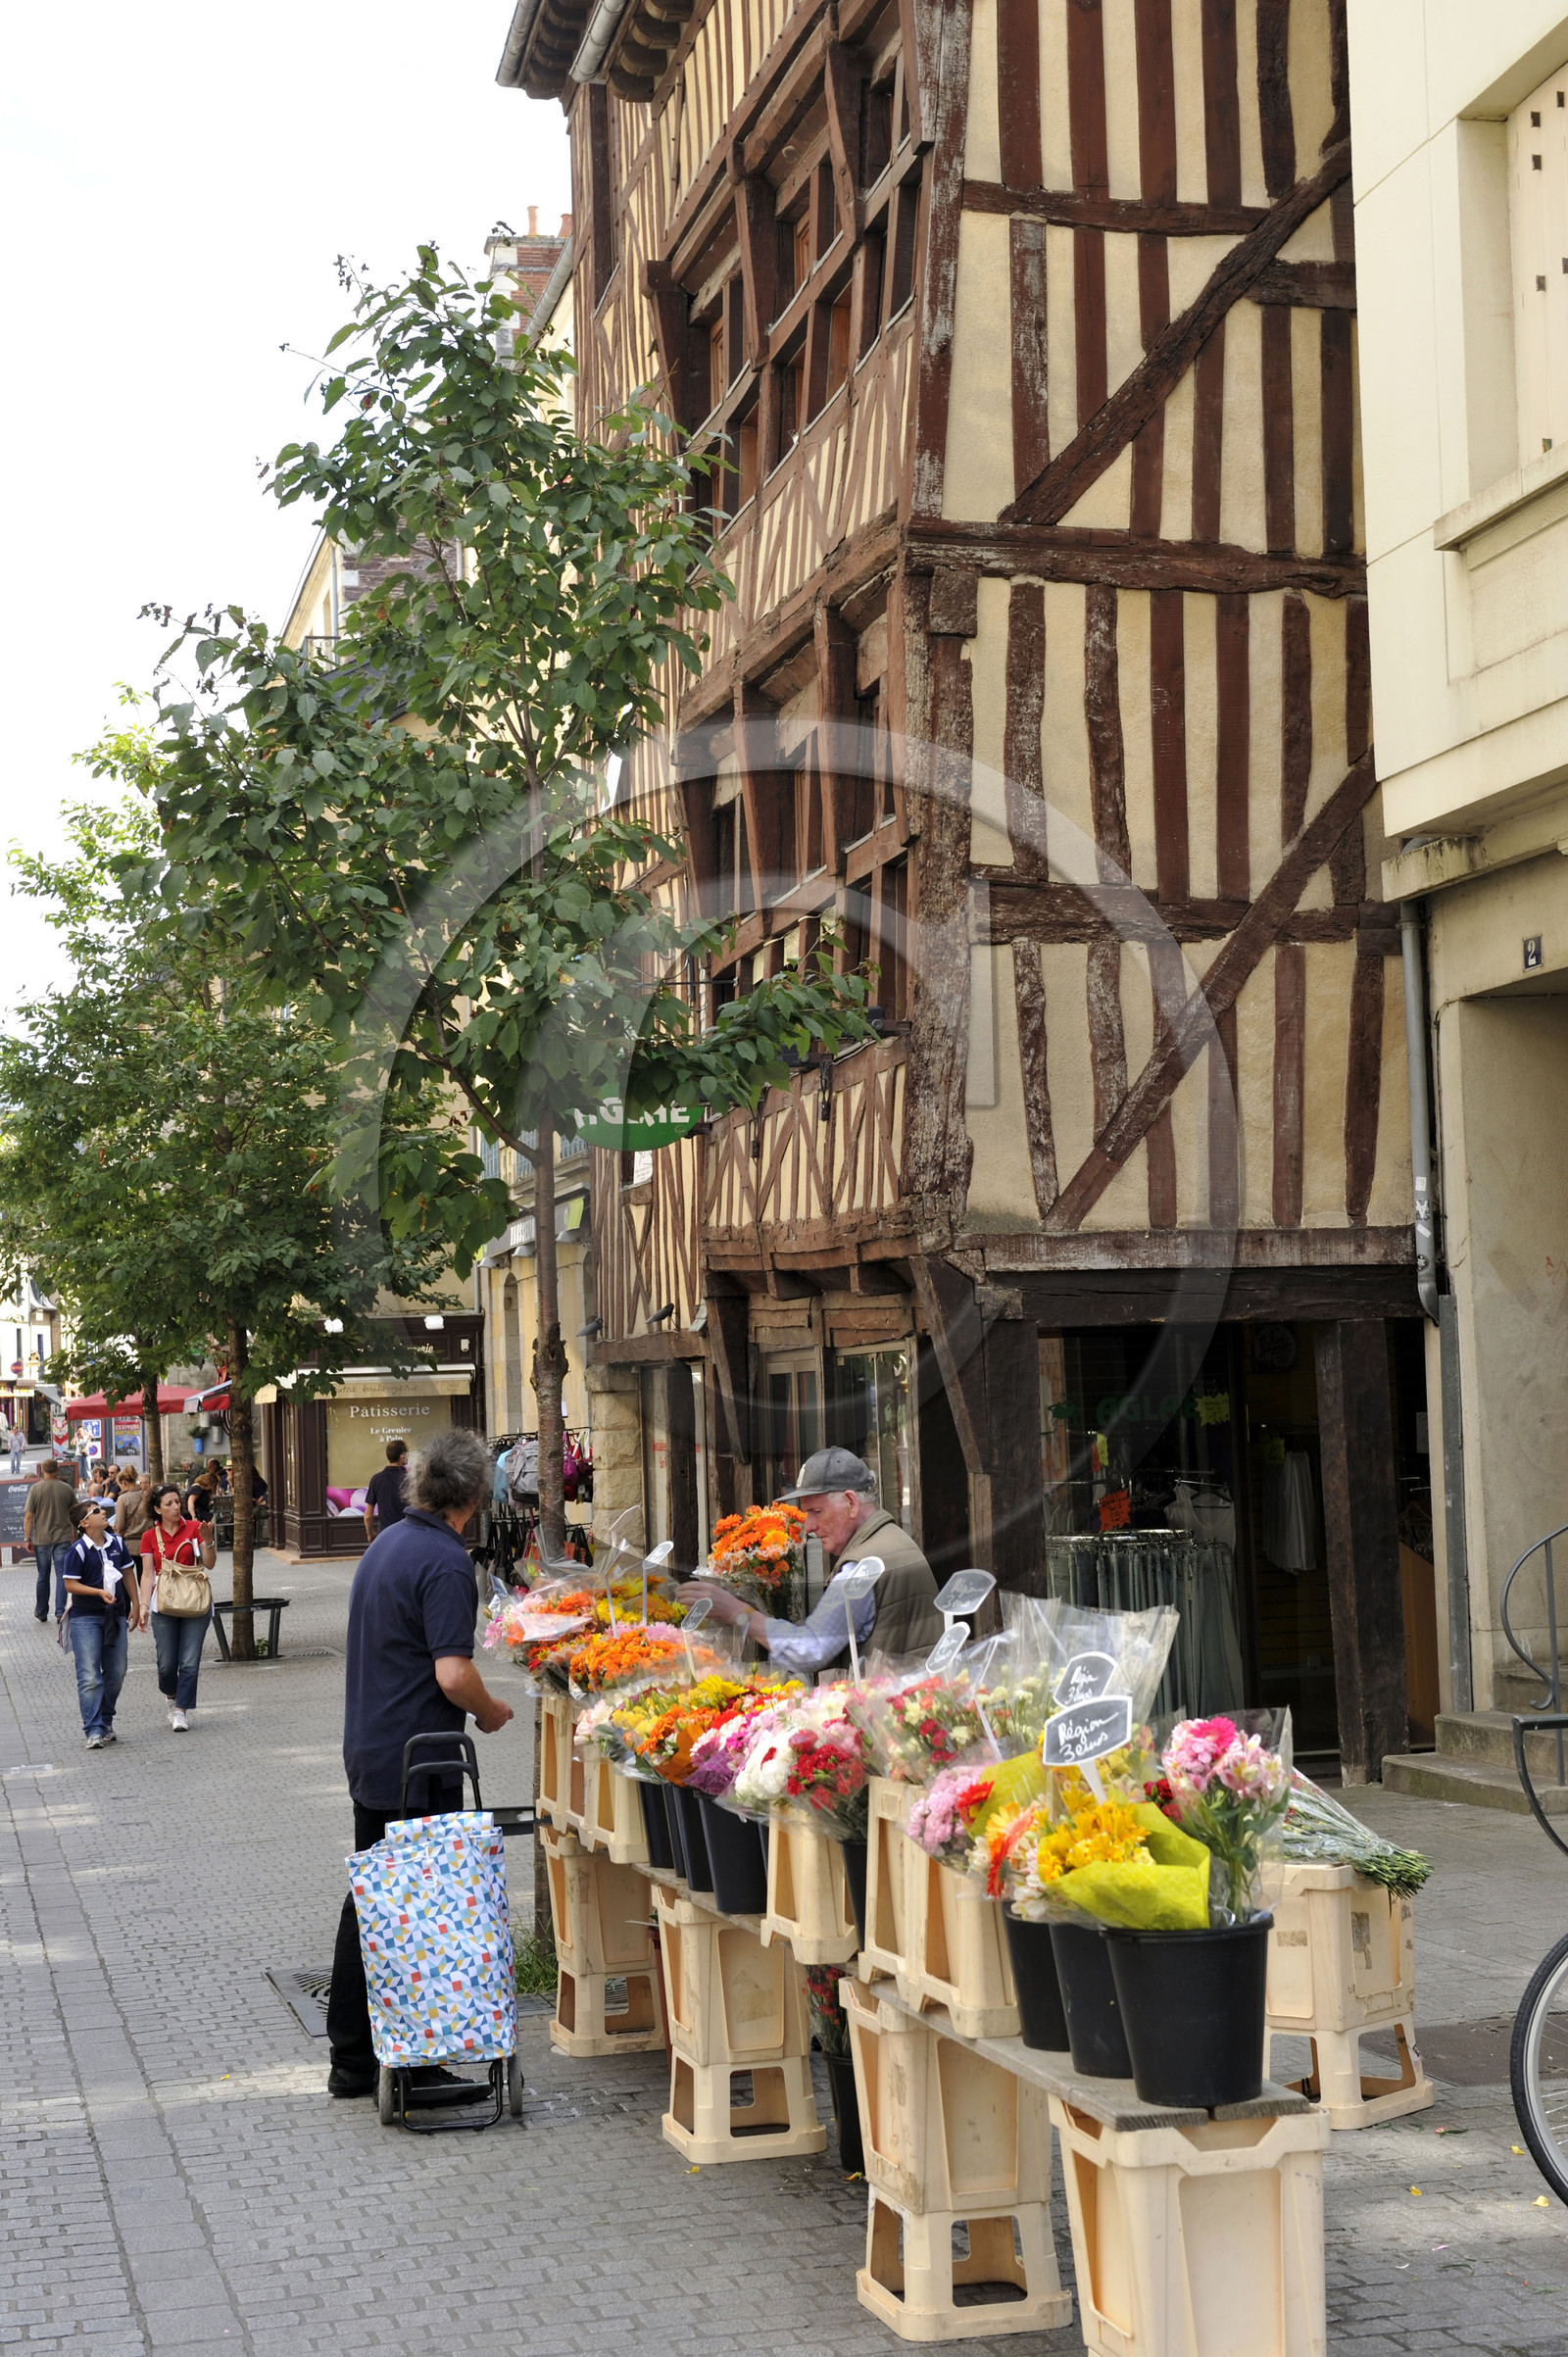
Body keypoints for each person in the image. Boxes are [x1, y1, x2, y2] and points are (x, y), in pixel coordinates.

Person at [325, 1426, 514, 2098]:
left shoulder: (388, 1544)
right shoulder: (444, 1560)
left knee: (372, 1898)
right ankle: (411, 2062)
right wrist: (490, 1711)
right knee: (414, 1906)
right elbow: (453, 1672)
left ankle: (352, 2058)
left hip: (376, 1749)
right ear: (471, 1496)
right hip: (417, 1758)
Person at [680, 1447, 944, 1676]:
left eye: (816, 1512)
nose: (808, 1526)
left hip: (890, 1716)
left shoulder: (862, 1567)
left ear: (851, 1502)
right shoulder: (893, 1539)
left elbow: (809, 1649)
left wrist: (736, 1611)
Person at [62, 1498, 141, 1750]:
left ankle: (106, 1718)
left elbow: (128, 1571)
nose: (104, 1512)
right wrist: (97, 1593)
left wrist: (136, 1604)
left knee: (116, 1671)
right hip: (85, 1617)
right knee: (90, 1675)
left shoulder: (116, 1542)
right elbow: (69, 1584)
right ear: (84, 1523)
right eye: (96, 1511)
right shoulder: (78, 1550)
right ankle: (94, 1728)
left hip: (115, 1614)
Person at [138, 1482, 217, 1732]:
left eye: (177, 1502)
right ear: (157, 1509)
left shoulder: (194, 1528)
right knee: (166, 1663)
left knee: (190, 1661)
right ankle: (170, 1695)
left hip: (195, 1601)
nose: (175, 1506)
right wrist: (142, 1605)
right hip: (164, 1602)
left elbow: (210, 1563)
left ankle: (181, 1710)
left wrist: (209, 1541)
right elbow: (148, 1574)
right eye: (169, 1503)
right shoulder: (150, 1536)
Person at [24, 1459, 77, 1625]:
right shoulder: (66, 1489)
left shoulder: (36, 1489)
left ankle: (41, 1611)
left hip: (42, 1538)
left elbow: (29, 1516)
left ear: (42, 1471)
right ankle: (60, 1611)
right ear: (57, 1470)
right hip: (62, 1538)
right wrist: (74, 1534)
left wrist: (27, 1538)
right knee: (62, 1576)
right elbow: (76, 1513)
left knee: (43, 1576)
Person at [363, 1438, 409, 1542]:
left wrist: (370, 1534)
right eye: (406, 1453)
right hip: (407, 1535)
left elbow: (368, 1516)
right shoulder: (410, 1479)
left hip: (385, 1535)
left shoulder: (377, 1479)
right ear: (401, 1456)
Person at [115, 1471, 155, 1548]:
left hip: (131, 1544)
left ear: (124, 1483)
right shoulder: (149, 1496)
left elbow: (120, 1525)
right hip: (150, 1542)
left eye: (120, 1485)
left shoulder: (123, 1498)